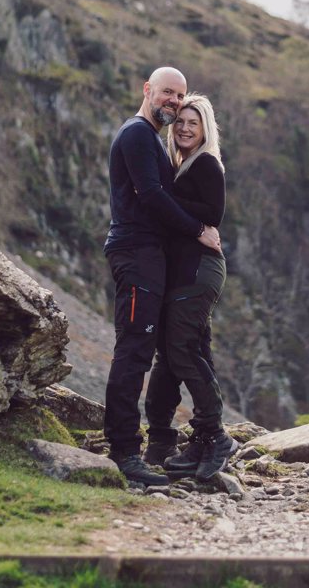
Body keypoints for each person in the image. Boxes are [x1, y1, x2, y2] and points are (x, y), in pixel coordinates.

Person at [103, 67, 221, 486]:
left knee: (158, 350)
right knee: (134, 349)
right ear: (147, 90)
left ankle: (161, 443)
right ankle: (122, 451)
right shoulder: (137, 134)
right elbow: (150, 196)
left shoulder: (151, 139)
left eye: (180, 96)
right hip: (136, 253)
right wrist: (197, 230)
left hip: (149, 258)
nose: (173, 101)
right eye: (168, 93)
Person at [144, 94, 238, 481]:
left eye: (192, 123)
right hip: (184, 273)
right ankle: (191, 441)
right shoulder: (182, 166)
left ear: (205, 129)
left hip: (200, 272)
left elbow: (213, 214)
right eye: (180, 121)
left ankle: (216, 436)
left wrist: (163, 197)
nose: (184, 128)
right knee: (181, 352)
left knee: (182, 351)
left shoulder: (207, 164)